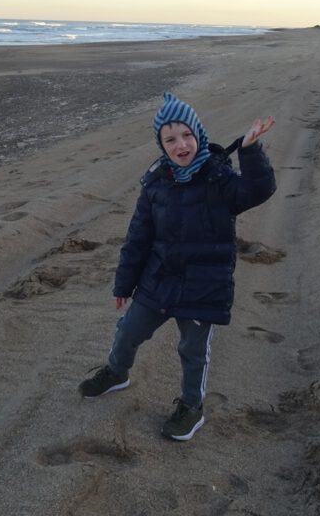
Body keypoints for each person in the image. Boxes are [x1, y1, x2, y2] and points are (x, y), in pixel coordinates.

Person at [78, 93, 277, 441]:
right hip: (159, 280)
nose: (180, 144)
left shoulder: (219, 176)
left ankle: (191, 406)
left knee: (192, 350)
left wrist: (250, 150)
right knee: (128, 331)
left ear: (198, 134)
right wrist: (124, 285)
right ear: (162, 145)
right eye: (170, 139)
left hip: (205, 284)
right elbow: (138, 236)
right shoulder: (156, 183)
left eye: (186, 135)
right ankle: (116, 371)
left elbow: (258, 189)